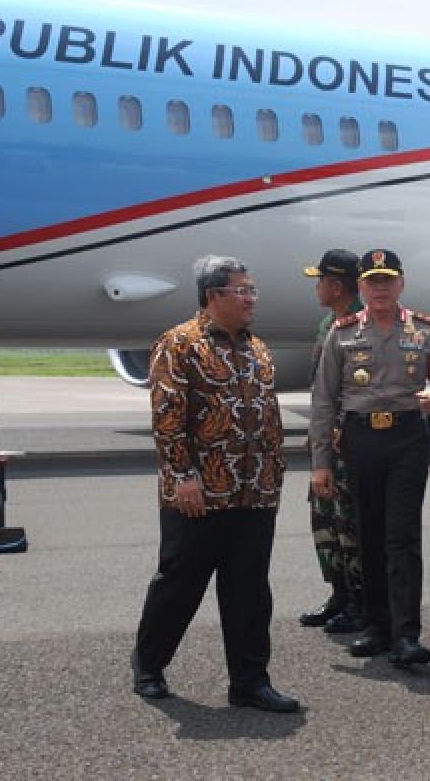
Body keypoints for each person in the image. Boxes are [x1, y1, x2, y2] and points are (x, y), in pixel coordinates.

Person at [131, 255, 299, 714]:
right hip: (199, 496)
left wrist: (275, 470)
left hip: (255, 493)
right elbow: (167, 417)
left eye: (252, 290)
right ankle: (148, 666)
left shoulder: (258, 349)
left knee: (249, 593)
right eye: (242, 291)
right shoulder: (178, 344)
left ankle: (250, 682)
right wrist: (183, 476)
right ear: (213, 296)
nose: (251, 299)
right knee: (179, 586)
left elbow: (270, 415)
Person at [309, 249, 430, 668]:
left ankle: (406, 634)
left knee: (401, 536)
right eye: (372, 281)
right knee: (367, 534)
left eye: (388, 280)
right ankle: (377, 626)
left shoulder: (425, 329)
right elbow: (324, 401)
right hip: (359, 439)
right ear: (361, 287)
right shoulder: (341, 332)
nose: (380, 288)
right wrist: (321, 463)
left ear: (401, 283)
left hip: (406, 438)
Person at [298, 249, 365, 634]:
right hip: (325, 444)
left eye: (320, 281)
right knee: (325, 522)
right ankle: (339, 593)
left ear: (336, 285)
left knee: (350, 525)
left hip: (351, 445)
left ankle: (360, 601)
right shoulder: (328, 323)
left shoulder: (361, 324)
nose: (317, 288)